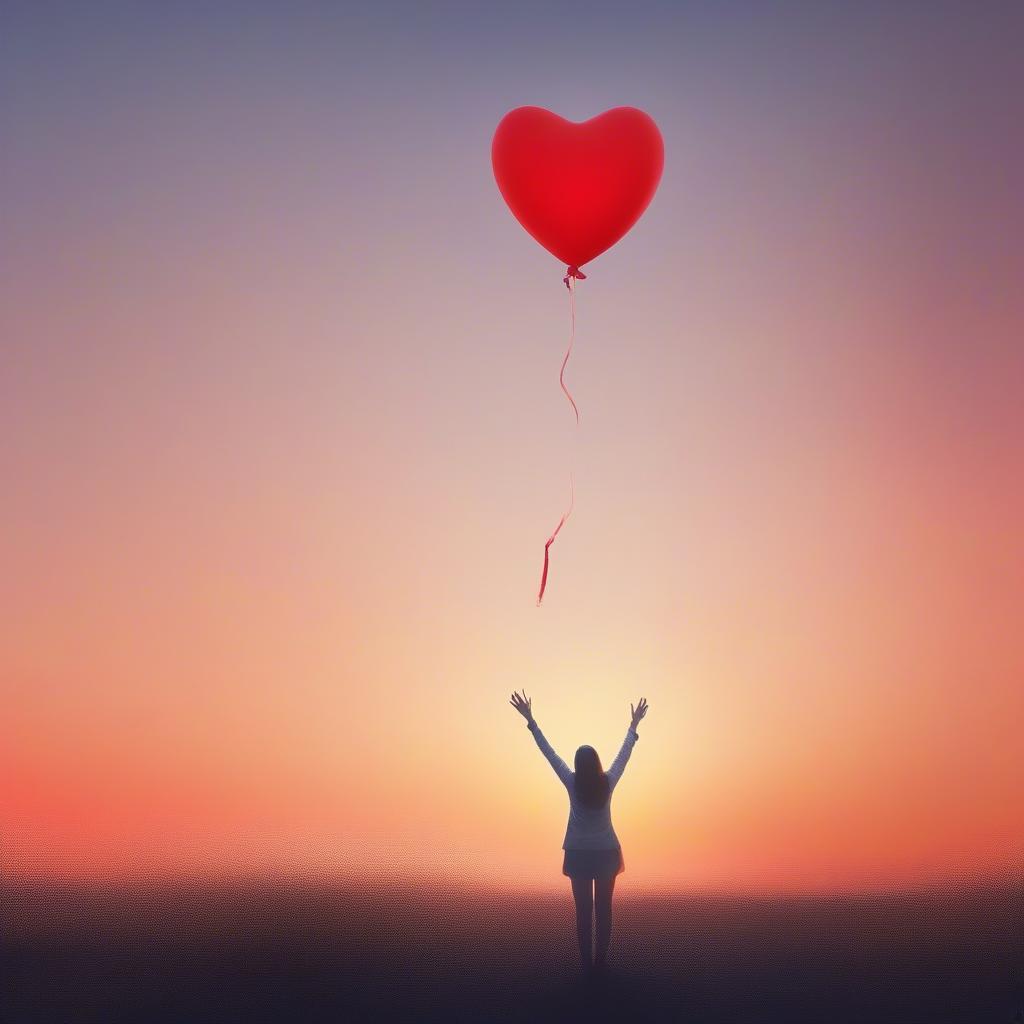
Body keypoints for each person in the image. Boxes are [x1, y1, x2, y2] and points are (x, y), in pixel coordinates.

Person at [509, 690, 649, 975]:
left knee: (583, 912)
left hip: (580, 855)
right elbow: (624, 755)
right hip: (605, 854)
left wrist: (531, 721)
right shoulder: (607, 782)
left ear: (577, 765)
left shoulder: (572, 782)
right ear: (597, 764)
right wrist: (633, 726)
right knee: (604, 911)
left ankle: (586, 962)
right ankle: (601, 961)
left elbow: (549, 753)